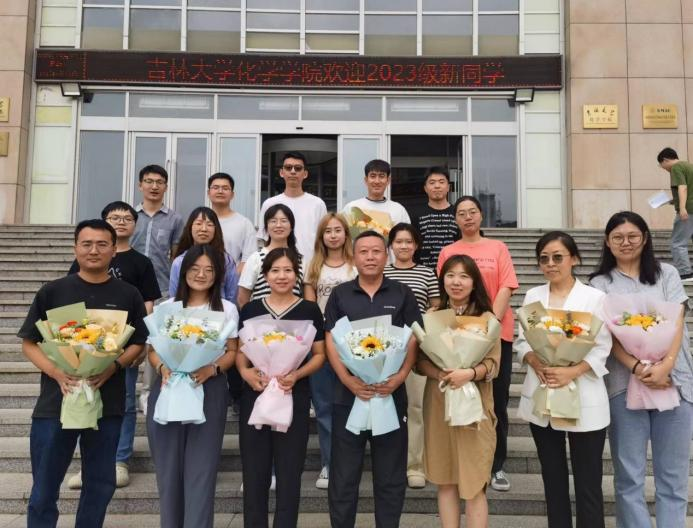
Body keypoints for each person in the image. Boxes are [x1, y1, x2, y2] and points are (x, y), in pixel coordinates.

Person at [18, 219, 148, 527]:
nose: (94, 250)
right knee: (44, 487)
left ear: (114, 250)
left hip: (107, 402)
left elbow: (139, 343)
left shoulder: (128, 294)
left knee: (100, 484)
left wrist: (114, 366)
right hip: (56, 403)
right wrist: (56, 372)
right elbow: (29, 343)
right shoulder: (53, 291)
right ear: (75, 248)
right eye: (86, 244)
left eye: (102, 244)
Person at [590, 211, 693, 528]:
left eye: (633, 236)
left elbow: (677, 320)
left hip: (675, 382)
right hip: (624, 385)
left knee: (673, 477)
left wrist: (666, 366)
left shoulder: (667, 274)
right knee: (629, 476)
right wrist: (637, 366)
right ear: (607, 242)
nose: (626, 242)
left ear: (645, 238)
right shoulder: (599, 284)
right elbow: (606, 336)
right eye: (618, 237)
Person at [324, 230, 422, 528]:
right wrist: (347, 379)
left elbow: (413, 338)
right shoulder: (340, 294)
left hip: (390, 395)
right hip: (348, 397)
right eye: (363, 251)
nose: (370, 257)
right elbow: (331, 339)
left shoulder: (402, 293)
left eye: (376, 251)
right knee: (343, 476)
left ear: (386, 255)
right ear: (354, 257)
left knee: (390, 476)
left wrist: (400, 376)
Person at [516, 231, 611, 528]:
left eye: (558, 257)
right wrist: (535, 361)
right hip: (543, 392)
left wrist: (573, 370)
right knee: (552, 478)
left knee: (588, 481)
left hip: (582, 395)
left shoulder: (595, 298)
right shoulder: (533, 296)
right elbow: (523, 341)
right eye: (544, 259)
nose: (550, 264)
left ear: (574, 259)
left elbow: (603, 346)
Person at [66, 201, 161, 490]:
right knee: (85, 398)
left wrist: (139, 342)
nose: (121, 221)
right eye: (114, 217)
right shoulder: (86, 259)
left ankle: (120, 460)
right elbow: (72, 298)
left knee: (126, 403)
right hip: (86, 345)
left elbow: (147, 303)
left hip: (123, 347)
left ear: (135, 225)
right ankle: (88, 464)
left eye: (127, 218)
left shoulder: (141, 262)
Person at [147, 244, 239, 528]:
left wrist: (212, 368)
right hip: (168, 387)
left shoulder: (226, 309)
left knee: (202, 471)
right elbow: (152, 351)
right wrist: (162, 368)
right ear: (184, 270)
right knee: (168, 472)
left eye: (209, 270)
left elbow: (232, 351)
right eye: (195, 268)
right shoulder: (166, 307)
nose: (201, 274)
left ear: (218, 275)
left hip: (208, 389)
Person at [236, 247, 326, 528]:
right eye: (275, 270)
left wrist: (297, 374)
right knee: (254, 472)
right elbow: (241, 352)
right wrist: (245, 372)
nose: (282, 276)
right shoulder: (251, 309)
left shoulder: (309, 310)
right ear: (265, 276)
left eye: (288, 270)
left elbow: (320, 355)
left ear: (296, 275)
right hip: (256, 395)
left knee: (289, 472)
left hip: (293, 395)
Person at [437, 195, 518, 492]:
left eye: (472, 212)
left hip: (496, 334)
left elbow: (507, 286)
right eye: (461, 213)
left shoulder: (498, 248)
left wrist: (488, 326)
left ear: (481, 215)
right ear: (455, 219)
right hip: (457, 337)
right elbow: (445, 291)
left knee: (497, 399)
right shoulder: (448, 251)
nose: (468, 217)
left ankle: (497, 465)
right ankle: (462, 462)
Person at [417, 254, 500, 528]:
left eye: (464, 276)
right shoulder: (432, 317)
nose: (456, 281)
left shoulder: (486, 318)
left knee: (475, 483)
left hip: (475, 409)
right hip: (440, 404)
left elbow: (494, 364)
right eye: (451, 275)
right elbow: (420, 362)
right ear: (442, 280)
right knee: (445, 479)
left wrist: (470, 373)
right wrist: (440, 373)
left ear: (474, 282)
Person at [383, 223, 439, 489]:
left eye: (408, 241)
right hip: (383, 351)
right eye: (398, 241)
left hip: (416, 350)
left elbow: (436, 307)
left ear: (416, 245)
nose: (403, 246)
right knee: (386, 407)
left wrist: (417, 327)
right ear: (391, 245)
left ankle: (414, 465)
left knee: (415, 408)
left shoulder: (427, 273)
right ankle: (388, 464)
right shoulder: (382, 272)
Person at [304, 213, 357, 489]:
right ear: (321, 236)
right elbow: (311, 309)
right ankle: (329, 463)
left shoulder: (355, 265)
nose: (333, 235)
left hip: (352, 344)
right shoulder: (314, 266)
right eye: (328, 231)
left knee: (349, 406)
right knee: (324, 407)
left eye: (338, 230)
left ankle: (349, 464)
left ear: (346, 234)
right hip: (322, 345)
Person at [130, 164, 185, 414]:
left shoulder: (175, 219)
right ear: (140, 185)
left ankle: (147, 391)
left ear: (166, 186)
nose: (154, 186)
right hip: (129, 289)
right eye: (149, 181)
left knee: (156, 341)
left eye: (159, 182)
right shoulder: (130, 216)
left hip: (160, 289)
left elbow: (175, 256)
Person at [258, 152, 327, 265]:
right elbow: (264, 239)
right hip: (277, 269)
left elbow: (324, 240)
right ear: (281, 172)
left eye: (298, 168)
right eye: (288, 167)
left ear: (305, 174)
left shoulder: (318, 204)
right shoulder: (269, 204)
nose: (293, 171)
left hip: (311, 268)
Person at [238, 204, 304, 308]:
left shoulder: (301, 260)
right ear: (266, 227)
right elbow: (242, 298)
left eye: (284, 221)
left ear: (291, 226)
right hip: (260, 316)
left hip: (294, 317)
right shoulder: (256, 258)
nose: (278, 225)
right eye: (273, 221)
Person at [168, 206, 239, 303]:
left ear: (216, 229)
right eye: (198, 223)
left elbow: (232, 295)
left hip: (218, 310)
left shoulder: (226, 261)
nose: (204, 229)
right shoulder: (179, 261)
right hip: (186, 311)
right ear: (190, 228)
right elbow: (174, 296)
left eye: (209, 225)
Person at [208, 172, 257, 275]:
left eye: (225, 188)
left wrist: (230, 279)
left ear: (232, 194)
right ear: (208, 193)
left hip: (232, 281)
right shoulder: (200, 221)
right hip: (201, 279)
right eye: (216, 187)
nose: (220, 191)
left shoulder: (244, 224)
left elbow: (249, 260)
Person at [410, 167, 460, 269]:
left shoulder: (458, 213)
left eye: (441, 182)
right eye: (432, 182)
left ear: (448, 187)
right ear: (425, 188)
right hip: (423, 272)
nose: (437, 186)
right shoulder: (414, 215)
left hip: (452, 271)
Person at [341, 159, 410, 231]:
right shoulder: (351, 208)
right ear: (366, 180)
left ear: (388, 180)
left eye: (381, 176)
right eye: (373, 176)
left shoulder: (399, 210)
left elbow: (406, 236)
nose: (377, 181)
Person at [656, 147, 693, 280]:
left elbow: (683, 187)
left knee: (677, 242)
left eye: (661, 165)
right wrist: (673, 201)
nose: (663, 168)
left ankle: (685, 272)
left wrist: (682, 208)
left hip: (688, 210)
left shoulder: (676, 168)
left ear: (665, 160)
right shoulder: (689, 166)